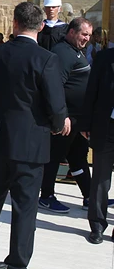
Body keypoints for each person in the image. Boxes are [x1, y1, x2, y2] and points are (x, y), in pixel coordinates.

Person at [0, 2, 68, 269]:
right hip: (29, 143)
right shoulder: (46, 59)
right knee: (24, 206)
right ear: (40, 25)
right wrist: (58, 123)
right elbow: (55, 103)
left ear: (14, 23)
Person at [38, 18, 94, 214]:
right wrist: (63, 116)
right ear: (72, 32)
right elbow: (55, 87)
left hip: (78, 120)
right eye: (83, 34)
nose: (87, 38)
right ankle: (46, 196)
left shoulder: (76, 51)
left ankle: (90, 196)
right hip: (67, 119)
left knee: (78, 157)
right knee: (54, 157)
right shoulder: (62, 53)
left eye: (89, 35)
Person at [83, 45, 114, 244]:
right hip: (106, 126)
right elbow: (91, 91)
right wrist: (86, 123)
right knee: (101, 177)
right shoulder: (104, 58)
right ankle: (97, 225)